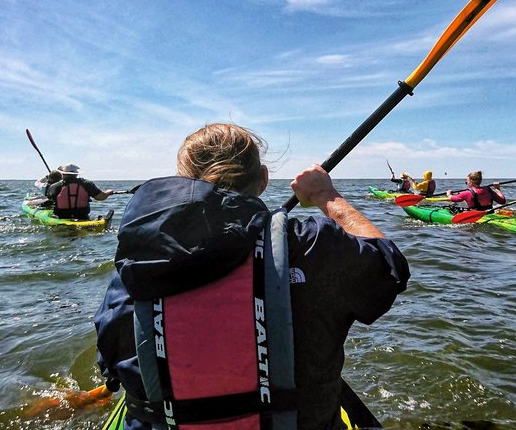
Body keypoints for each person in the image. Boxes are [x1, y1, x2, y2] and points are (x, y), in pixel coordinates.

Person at [94, 123, 410, 430]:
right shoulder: (312, 244)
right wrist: (326, 196)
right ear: (262, 180)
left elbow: (110, 365)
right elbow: (389, 267)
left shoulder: (135, 267)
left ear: (183, 183)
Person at [45, 164, 114, 220]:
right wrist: (108, 192)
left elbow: (50, 199)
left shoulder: (55, 186)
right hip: (82, 217)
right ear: (76, 174)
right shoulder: (87, 183)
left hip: (61, 217)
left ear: (63, 174)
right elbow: (100, 197)